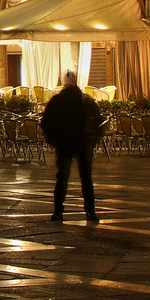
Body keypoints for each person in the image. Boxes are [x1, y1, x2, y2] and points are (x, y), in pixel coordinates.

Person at [39, 71, 101, 223]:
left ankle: (58, 211)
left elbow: (45, 122)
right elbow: (98, 121)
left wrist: (53, 140)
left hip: (64, 142)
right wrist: (94, 138)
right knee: (86, 178)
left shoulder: (56, 101)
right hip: (82, 142)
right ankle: (90, 211)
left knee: (62, 178)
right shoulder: (85, 101)